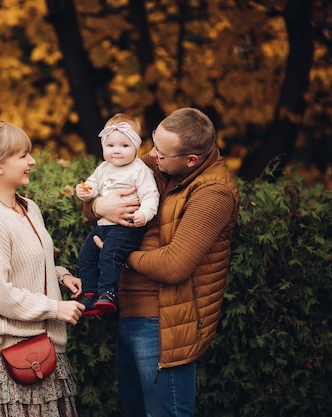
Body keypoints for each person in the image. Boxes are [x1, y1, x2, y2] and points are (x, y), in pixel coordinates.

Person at [84, 108, 240, 417]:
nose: (151, 155)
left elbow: (174, 266)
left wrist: (115, 254)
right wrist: (99, 205)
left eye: (161, 152)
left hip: (163, 323)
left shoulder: (214, 193)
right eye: (154, 144)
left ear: (191, 160)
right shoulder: (159, 165)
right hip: (129, 311)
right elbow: (101, 198)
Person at [0, 120, 86, 417]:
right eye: (22, 155)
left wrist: (62, 276)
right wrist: (54, 308)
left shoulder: (28, 207)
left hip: (49, 352)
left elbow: (30, 265)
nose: (32, 161)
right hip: (16, 358)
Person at [75, 113, 159, 315]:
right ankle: (90, 293)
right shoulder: (103, 168)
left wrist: (144, 214)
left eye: (124, 146)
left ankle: (108, 293)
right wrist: (85, 193)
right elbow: (92, 186)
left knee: (110, 255)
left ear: (136, 147)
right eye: (110, 146)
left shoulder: (140, 170)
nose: (117, 151)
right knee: (87, 256)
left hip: (126, 228)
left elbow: (151, 195)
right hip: (103, 226)